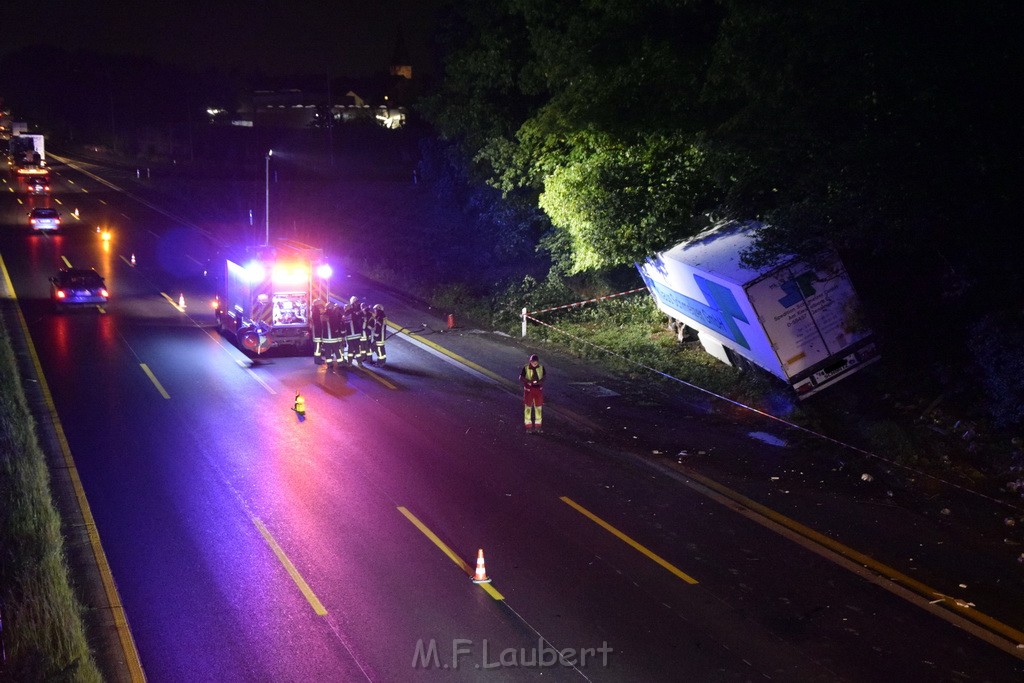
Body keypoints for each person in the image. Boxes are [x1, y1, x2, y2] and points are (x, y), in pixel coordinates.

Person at [519, 354, 545, 434]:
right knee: (528, 408)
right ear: (530, 361)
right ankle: (528, 427)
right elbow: (521, 377)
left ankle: (538, 426)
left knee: (538, 408)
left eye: (536, 362)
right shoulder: (526, 368)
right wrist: (528, 381)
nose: (535, 363)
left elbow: (544, 376)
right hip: (529, 391)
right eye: (533, 362)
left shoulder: (541, 367)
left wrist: (541, 382)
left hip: (538, 390)